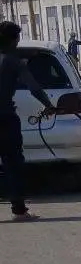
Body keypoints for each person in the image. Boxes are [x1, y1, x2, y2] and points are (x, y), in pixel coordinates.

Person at [0, 21, 56, 222]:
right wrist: (48, 105)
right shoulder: (14, 62)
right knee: (13, 165)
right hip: (5, 120)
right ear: (13, 39)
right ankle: (19, 211)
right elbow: (33, 87)